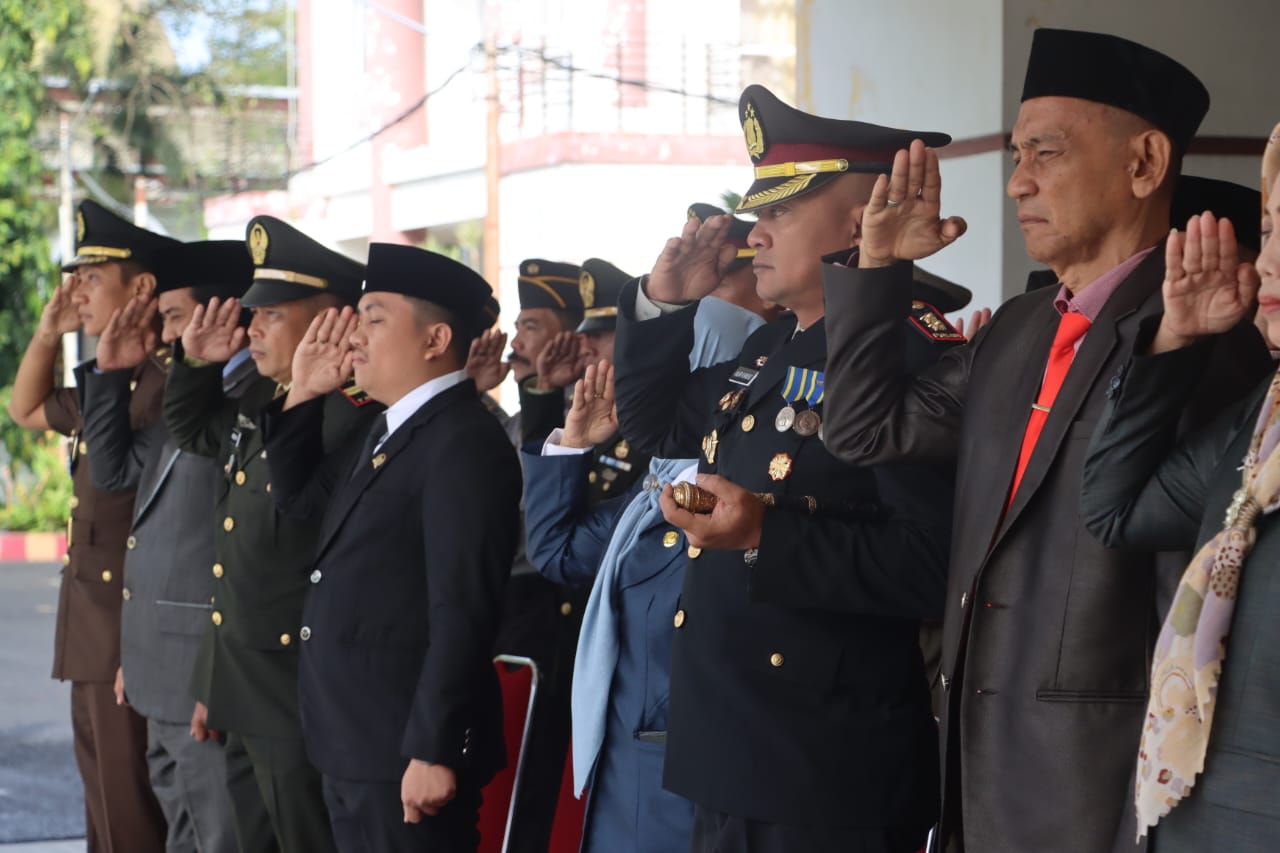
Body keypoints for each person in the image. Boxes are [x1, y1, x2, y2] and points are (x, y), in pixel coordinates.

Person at [817, 28, 1273, 853]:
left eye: (1047, 153)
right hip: (978, 774)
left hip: (1099, 790)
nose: (1017, 181)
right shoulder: (1021, 328)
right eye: (1017, 154)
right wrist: (878, 267)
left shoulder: (1202, 329)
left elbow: (1189, 582)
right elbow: (863, 427)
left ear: (1144, 163)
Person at [613, 83, 961, 853]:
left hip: (824, 769)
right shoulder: (775, 345)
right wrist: (666, 305)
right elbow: (655, 426)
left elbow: (932, 563)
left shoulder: (907, 350)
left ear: (860, 221)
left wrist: (767, 534)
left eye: (782, 211)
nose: (754, 235)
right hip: (731, 748)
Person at [260, 243, 521, 852]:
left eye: (374, 320)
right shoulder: (387, 426)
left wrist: (433, 748)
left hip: (404, 750)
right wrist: (303, 394)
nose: (355, 336)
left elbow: (464, 609)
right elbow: (301, 503)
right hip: (356, 740)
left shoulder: (462, 442)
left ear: (435, 340)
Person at [164, 216, 378, 853]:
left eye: (271, 314)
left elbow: (300, 521)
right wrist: (194, 364)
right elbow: (195, 433)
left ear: (330, 322)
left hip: (294, 690)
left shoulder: (353, 412)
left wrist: (305, 396)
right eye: (253, 312)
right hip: (242, 685)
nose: (252, 327)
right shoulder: (265, 394)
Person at [524, 293, 767, 853]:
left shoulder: (732, 503)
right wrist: (575, 444)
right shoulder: (660, 485)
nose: (638, 387)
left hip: (681, 792)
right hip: (627, 780)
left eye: (661, 373)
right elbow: (559, 552)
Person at [1078, 199, 1280, 851]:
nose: (1268, 261)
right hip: (1195, 815)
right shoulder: (1266, 418)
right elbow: (1115, 509)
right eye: (1270, 231)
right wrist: (1175, 340)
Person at [7, 199, 173, 853]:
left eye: (92, 278)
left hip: (126, 632)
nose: (77, 290)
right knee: (102, 807)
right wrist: (49, 330)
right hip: (91, 630)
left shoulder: (160, 387)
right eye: (74, 278)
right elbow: (26, 408)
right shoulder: (114, 381)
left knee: (131, 814)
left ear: (141, 288)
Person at [80, 239, 255, 853]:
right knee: (184, 833)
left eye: (175, 317)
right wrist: (110, 373)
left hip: (203, 675)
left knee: (218, 835)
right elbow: (114, 473)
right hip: (159, 668)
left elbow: (244, 557)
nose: (164, 335)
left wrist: (218, 674)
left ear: (224, 313)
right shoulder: (190, 396)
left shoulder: (251, 401)